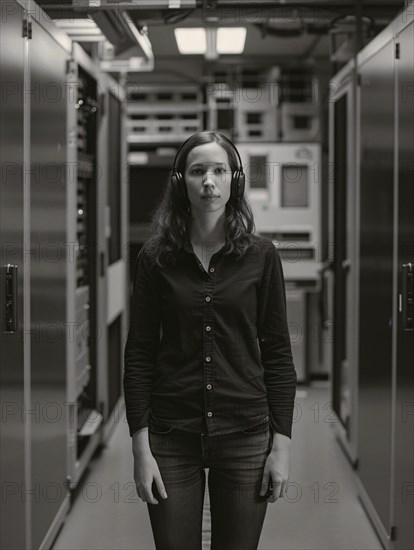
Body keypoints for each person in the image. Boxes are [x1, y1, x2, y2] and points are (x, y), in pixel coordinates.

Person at [123, 130, 297, 550]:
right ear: (181, 181)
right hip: (170, 431)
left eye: (219, 170)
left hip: (246, 431)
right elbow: (140, 353)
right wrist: (140, 447)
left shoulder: (261, 255)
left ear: (234, 179)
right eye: (197, 170)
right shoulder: (155, 257)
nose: (209, 181)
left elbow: (276, 351)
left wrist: (282, 447)